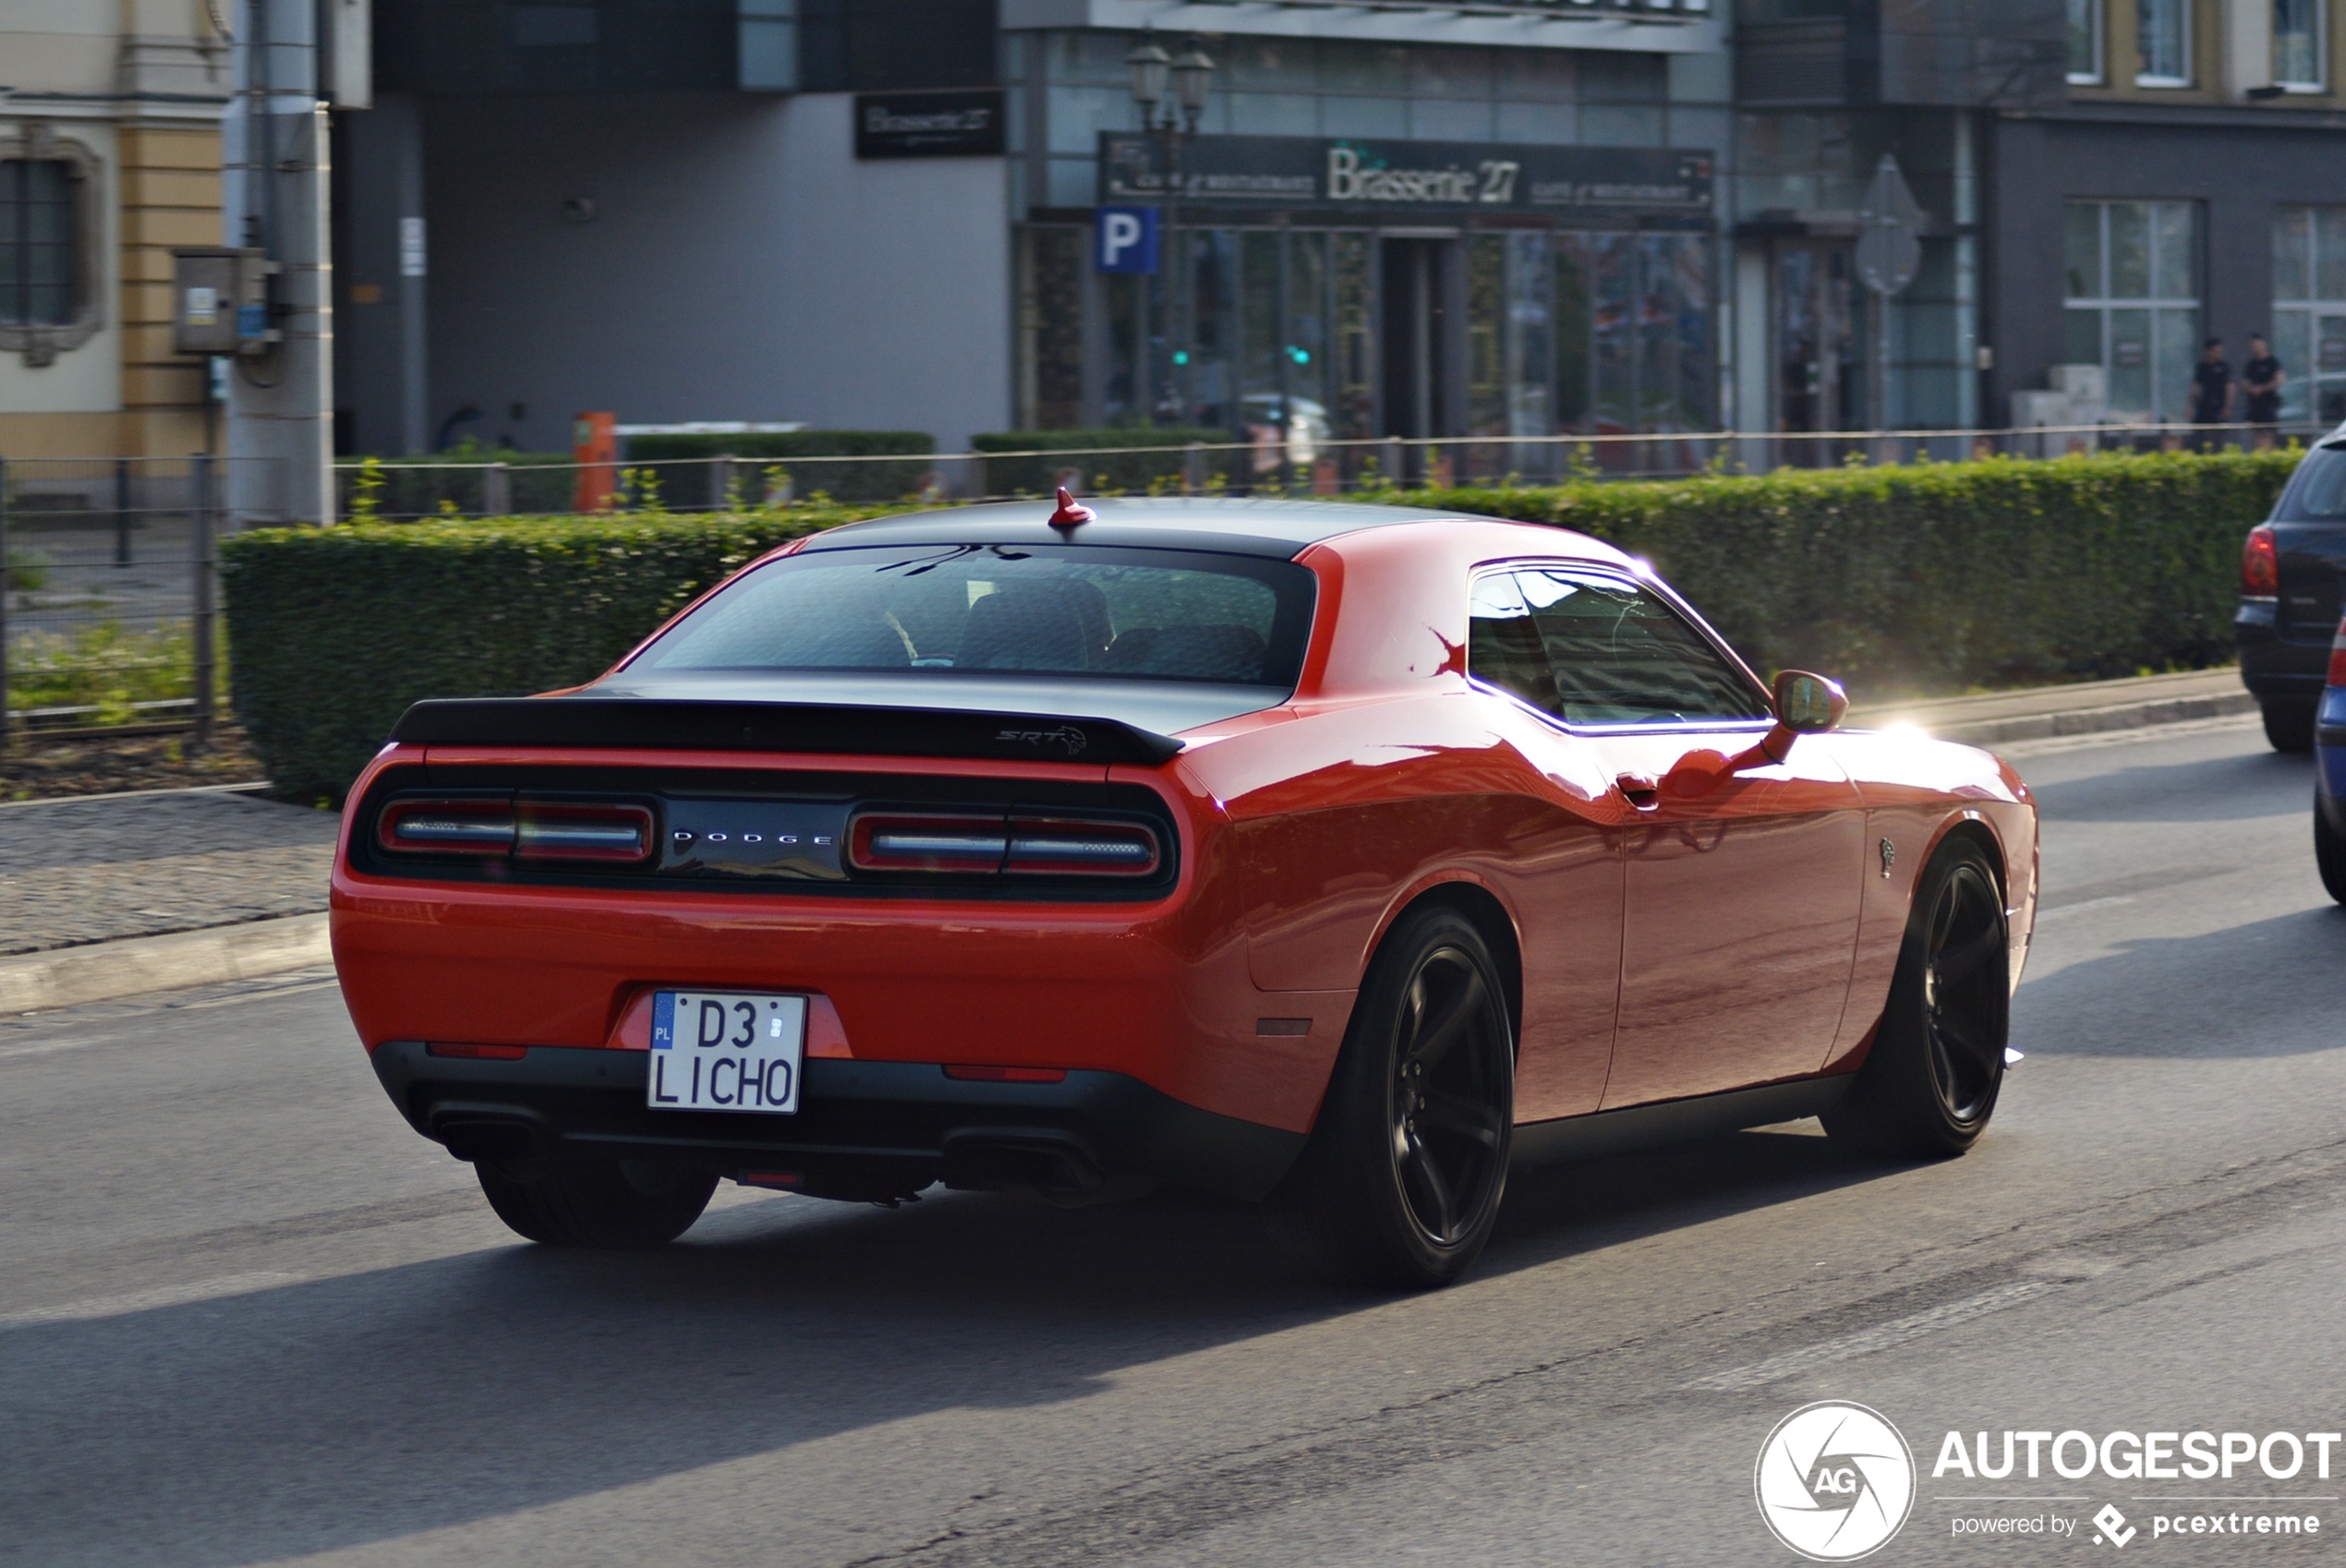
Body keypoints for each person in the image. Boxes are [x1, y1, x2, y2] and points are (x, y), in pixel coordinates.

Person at [2242, 333, 2286, 449]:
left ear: (2264, 345)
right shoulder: (2251, 365)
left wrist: (2263, 388)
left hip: (2268, 404)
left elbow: (2280, 379)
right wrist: (2252, 389)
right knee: (2257, 433)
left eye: (2257, 345)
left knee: (2268, 433)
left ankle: (2268, 455)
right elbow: (2245, 383)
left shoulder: (2272, 362)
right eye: (2252, 345)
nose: (2255, 347)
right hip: (2255, 406)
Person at [2191, 338, 2234, 450]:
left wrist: (2227, 407)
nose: (2218, 355)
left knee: (2218, 437)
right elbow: (2196, 387)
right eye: (2216, 352)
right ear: (2208, 352)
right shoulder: (2202, 367)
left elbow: (2230, 387)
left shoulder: (2224, 367)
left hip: (2218, 406)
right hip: (2204, 406)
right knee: (2202, 436)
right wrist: (2190, 406)